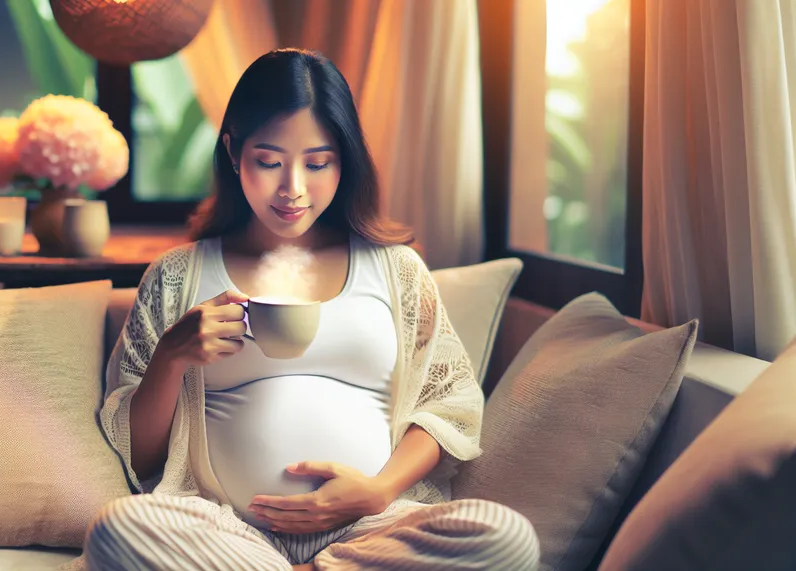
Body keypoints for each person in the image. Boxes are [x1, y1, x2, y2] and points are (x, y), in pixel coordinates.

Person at [83, 48, 539, 571]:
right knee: (119, 530)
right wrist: (171, 356)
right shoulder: (177, 276)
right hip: (226, 530)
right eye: (270, 162)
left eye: (318, 163)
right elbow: (138, 458)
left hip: (373, 528)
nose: (293, 189)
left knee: (505, 537)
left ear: (344, 160)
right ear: (234, 152)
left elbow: (449, 404)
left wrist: (377, 491)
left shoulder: (397, 271)